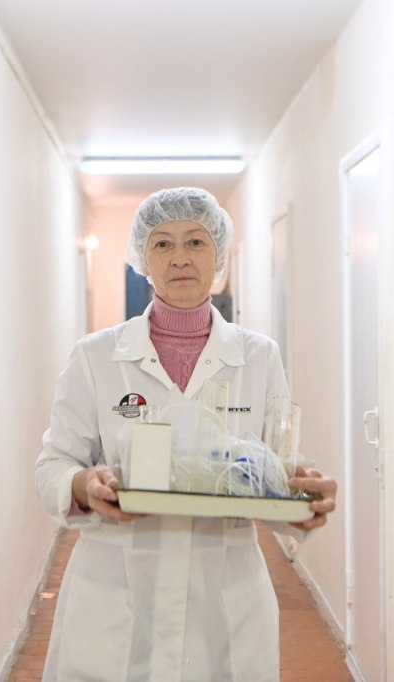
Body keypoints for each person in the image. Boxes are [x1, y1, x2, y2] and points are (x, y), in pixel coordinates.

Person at [34, 187, 337, 681]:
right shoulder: (95, 356)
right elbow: (53, 465)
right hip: (115, 591)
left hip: (225, 599)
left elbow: (275, 474)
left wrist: (303, 498)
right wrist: (83, 484)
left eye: (195, 242)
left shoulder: (259, 357)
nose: (179, 258)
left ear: (219, 256)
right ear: (143, 258)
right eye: (162, 244)